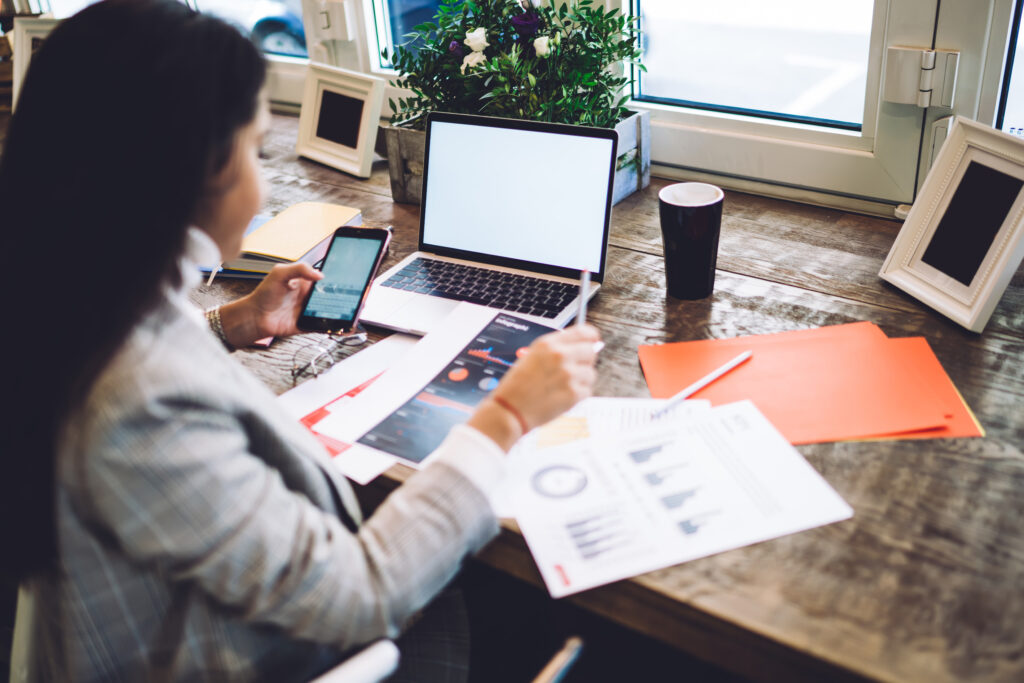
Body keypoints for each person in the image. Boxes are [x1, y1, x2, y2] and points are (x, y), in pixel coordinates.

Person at [0, 1, 601, 680]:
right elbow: (363, 595)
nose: (262, 182)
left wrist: (233, 321)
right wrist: (506, 416)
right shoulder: (139, 403)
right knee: (539, 616)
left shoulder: (63, 304)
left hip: (206, 620)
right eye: (257, 148)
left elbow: (142, 361)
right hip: (282, 654)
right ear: (193, 169)